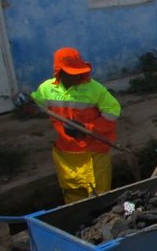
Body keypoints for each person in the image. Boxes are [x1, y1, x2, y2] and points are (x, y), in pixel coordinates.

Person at [28, 47, 121, 203]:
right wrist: (26, 106)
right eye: (72, 73)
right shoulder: (47, 89)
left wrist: (87, 128)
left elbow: (113, 110)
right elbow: (36, 106)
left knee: (100, 195)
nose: (78, 76)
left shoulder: (93, 88)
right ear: (59, 73)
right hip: (67, 153)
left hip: (94, 150)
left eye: (79, 72)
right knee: (73, 195)